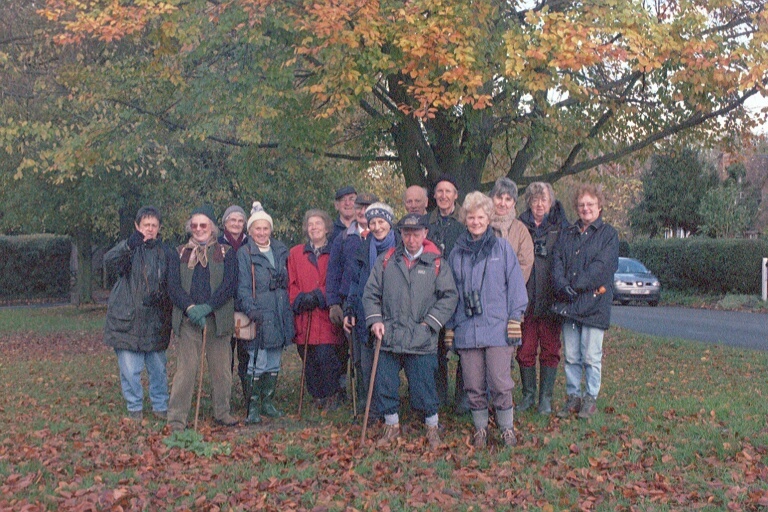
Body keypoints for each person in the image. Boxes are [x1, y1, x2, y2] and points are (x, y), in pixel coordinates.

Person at [362, 213, 459, 449]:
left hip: (421, 337)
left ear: (425, 234)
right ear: (401, 234)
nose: (411, 238)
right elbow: (371, 293)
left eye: (416, 233)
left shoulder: (436, 263)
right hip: (389, 335)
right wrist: (375, 321)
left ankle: (432, 426)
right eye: (406, 233)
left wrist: (430, 323)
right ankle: (391, 425)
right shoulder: (387, 260)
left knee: (425, 384)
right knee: (385, 382)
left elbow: (449, 296)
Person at [446, 192, 528, 448]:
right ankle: (481, 429)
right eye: (471, 217)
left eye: (481, 217)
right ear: (465, 219)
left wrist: (515, 318)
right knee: (472, 384)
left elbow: (515, 286)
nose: (476, 221)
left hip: (497, 328)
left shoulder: (502, 248)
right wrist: (450, 327)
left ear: (489, 218)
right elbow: (450, 293)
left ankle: (506, 429)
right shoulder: (456, 253)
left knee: (500, 382)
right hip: (467, 328)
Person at [166, 205, 238, 431]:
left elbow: (229, 285)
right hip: (189, 322)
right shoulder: (179, 253)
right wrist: (190, 308)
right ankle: (177, 418)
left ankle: (222, 412)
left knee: (221, 370)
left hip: (218, 320)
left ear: (213, 228)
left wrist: (208, 307)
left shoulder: (226, 252)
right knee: (186, 370)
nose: (198, 229)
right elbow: (173, 286)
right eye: (194, 225)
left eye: (203, 225)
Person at [551, 184, 618, 420]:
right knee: (571, 356)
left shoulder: (609, 235)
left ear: (599, 207)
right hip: (569, 304)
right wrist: (561, 285)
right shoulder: (567, 233)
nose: (585, 208)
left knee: (591, 356)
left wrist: (575, 285)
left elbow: (603, 267)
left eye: (590, 204)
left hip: (594, 304)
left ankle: (590, 398)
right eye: (581, 205)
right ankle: (573, 396)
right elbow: (557, 260)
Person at [104, 206, 173, 422]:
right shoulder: (129, 250)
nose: (150, 229)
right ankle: (134, 408)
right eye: (146, 225)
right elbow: (109, 263)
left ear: (159, 227)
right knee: (130, 371)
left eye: (154, 225)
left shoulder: (165, 252)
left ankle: (160, 406)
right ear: (137, 226)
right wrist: (127, 246)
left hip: (155, 321)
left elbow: (173, 284)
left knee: (158, 371)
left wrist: (162, 298)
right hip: (127, 321)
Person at [237, 202, 294, 424]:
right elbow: (241, 286)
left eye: (265, 228)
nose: (261, 233)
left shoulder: (280, 251)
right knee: (256, 362)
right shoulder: (245, 253)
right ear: (250, 231)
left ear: (271, 229)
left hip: (279, 313)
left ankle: (268, 402)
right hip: (258, 315)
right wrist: (250, 308)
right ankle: (253, 406)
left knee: (274, 362)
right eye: (257, 229)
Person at [516, 182, 570, 415]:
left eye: (544, 200)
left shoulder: (561, 228)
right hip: (525, 298)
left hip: (551, 299)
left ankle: (545, 398)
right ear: (529, 201)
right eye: (535, 199)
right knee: (525, 350)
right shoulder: (520, 225)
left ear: (551, 203)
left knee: (550, 349)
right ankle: (528, 395)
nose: (539, 204)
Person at [343, 202, 397, 418]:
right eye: (372, 222)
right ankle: (371, 411)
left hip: (394, 315)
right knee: (367, 366)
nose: (377, 226)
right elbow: (355, 282)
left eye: (381, 221)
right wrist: (349, 308)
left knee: (388, 367)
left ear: (389, 222)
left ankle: (390, 410)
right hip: (365, 312)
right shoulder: (363, 249)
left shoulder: (400, 248)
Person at [326, 192, 378, 404]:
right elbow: (333, 271)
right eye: (359, 207)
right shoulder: (344, 238)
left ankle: (379, 400)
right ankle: (362, 399)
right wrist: (334, 303)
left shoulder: (382, 234)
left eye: (367, 207)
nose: (362, 211)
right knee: (358, 356)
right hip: (352, 303)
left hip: (378, 302)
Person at [288, 209, 343, 408]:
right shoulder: (295, 253)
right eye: (310, 224)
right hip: (305, 315)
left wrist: (320, 295)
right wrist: (299, 299)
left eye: (318, 224)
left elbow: (338, 278)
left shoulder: (335, 250)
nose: (314, 228)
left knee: (326, 356)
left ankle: (331, 394)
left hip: (326, 315)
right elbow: (291, 282)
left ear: (327, 227)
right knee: (308, 357)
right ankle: (316, 396)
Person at [426, 174, 466, 410]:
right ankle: (437, 397)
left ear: (455, 196)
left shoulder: (463, 226)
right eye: (439, 192)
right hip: (431, 296)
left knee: (463, 348)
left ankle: (463, 398)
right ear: (434, 196)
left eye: (448, 191)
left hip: (458, 294)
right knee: (436, 349)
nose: (443, 196)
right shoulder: (426, 225)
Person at [218, 204, 251, 407]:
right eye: (232, 220)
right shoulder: (217, 245)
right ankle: (224, 399)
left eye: (240, 221)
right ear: (225, 223)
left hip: (245, 308)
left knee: (246, 354)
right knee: (224, 357)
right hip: (224, 307)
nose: (236, 224)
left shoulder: (250, 244)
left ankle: (250, 398)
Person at [489, 177, 534, 283]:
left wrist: (508, 289)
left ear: (514, 203)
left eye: (508, 199)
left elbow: (525, 264)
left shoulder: (521, 230)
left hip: (510, 294)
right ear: (491, 198)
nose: (503, 203)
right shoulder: (480, 224)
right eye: (499, 197)